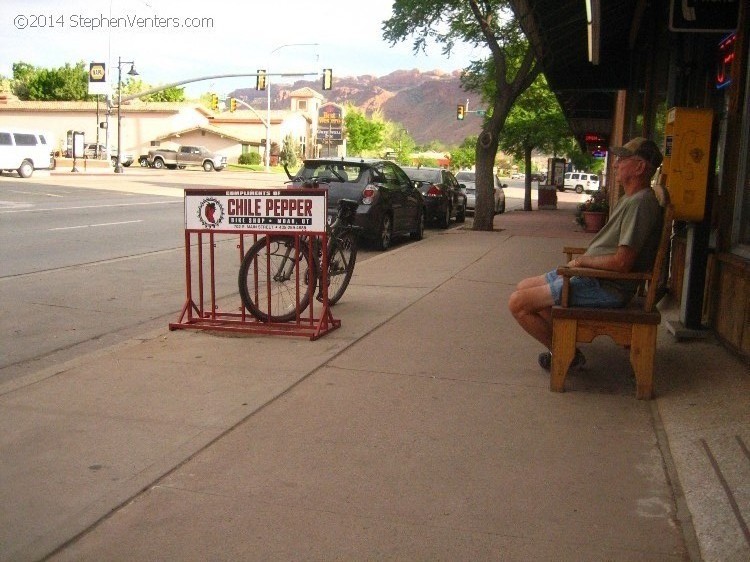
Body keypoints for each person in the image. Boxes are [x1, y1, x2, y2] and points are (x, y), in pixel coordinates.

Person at [507, 137, 664, 371]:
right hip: (591, 276)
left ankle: (565, 354)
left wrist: (582, 261)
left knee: (518, 303)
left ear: (640, 167)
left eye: (622, 159)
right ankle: (565, 345)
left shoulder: (641, 204)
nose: (615, 164)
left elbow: (622, 263)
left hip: (606, 286)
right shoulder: (630, 199)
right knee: (524, 287)